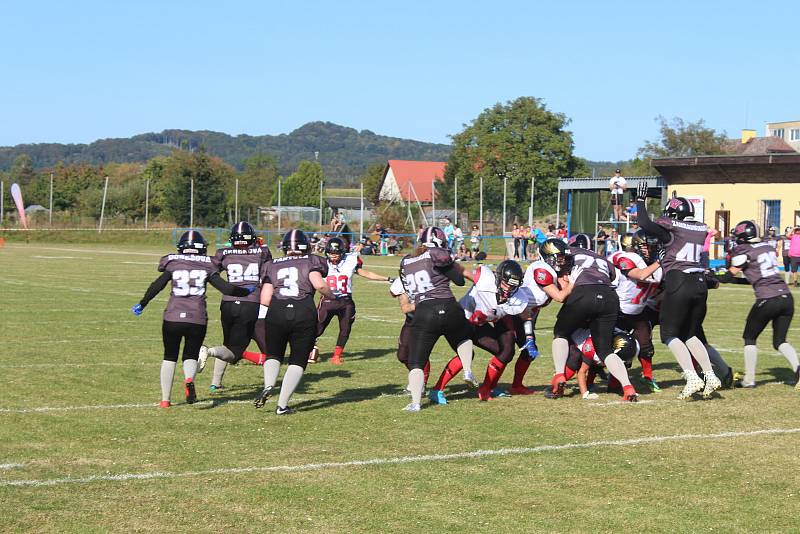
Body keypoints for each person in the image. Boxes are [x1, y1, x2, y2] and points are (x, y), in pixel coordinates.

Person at [131, 230, 251, 408]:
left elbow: (157, 285)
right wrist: (246, 291)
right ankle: (188, 379)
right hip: (197, 318)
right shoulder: (207, 264)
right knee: (190, 355)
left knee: (169, 357)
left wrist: (143, 303)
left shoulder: (173, 262)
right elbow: (226, 289)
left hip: (172, 317)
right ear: (201, 248)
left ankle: (165, 400)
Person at [635, 182, 722, 399]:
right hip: (700, 283)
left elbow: (644, 222)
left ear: (673, 213)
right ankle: (710, 375)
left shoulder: (671, 227)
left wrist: (640, 200)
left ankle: (692, 376)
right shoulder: (701, 228)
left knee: (669, 334)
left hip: (680, 281)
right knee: (690, 333)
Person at [544, 234, 639, 402]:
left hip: (584, 293)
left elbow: (563, 275)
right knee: (604, 350)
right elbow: (613, 277)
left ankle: (559, 375)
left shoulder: (568, 254)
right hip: (609, 297)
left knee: (561, 333)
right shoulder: (602, 258)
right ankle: (628, 387)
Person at [253, 229, 336, 415]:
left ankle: (268, 385)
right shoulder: (312, 261)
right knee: (298, 360)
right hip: (302, 310)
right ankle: (282, 405)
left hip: (276, 311)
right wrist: (332, 296)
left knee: (273, 354)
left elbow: (265, 298)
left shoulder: (271, 264)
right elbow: (319, 284)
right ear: (305, 246)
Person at [428, 260, 532, 404]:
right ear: (498, 278)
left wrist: (529, 336)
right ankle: (437, 390)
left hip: (480, 324)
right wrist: (444, 264)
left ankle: (488, 387)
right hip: (462, 319)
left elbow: (526, 315)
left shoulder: (518, 297)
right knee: (466, 355)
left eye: (513, 286)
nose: (508, 289)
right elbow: (463, 270)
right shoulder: (485, 279)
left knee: (505, 353)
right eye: (506, 284)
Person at [399, 227, 474, 412]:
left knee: (416, 361)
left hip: (424, 311)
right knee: (463, 337)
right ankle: (467, 369)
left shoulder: (406, 260)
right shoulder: (437, 254)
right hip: (449, 306)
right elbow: (459, 280)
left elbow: (408, 290)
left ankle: (416, 403)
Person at [717, 221, 798, 388]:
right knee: (780, 341)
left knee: (749, 338)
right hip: (786, 297)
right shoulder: (767, 247)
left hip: (767, 299)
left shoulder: (744, 251)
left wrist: (713, 276)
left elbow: (727, 276)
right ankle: (798, 369)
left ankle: (749, 379)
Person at [199, 221, 273, 392]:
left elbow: (209, 269)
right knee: (241, 350)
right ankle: (209, 352)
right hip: (253, 304)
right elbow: (270, 272)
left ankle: (215, 383)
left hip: (228, 303)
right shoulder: (262, 251)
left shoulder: (223, 252)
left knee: (228, 344)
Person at [308, 237, 394, 365]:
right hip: (327, 300)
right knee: (317, 328)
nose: (333, 256)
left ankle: (337, 355)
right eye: (331, 253)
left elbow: (366, 273)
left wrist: (387, 278)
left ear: (342, 252)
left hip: (345, 300)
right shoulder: (320, 263)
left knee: (345, 328)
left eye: (336, 253)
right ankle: (308, 348)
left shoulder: (350, 260)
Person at [609, 231, 664, 391]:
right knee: (619, 348)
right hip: (618, 310)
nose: (650, 249)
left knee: (646, 348)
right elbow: (640, 274)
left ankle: (648, 378)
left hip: (638, 311)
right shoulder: (628, 258)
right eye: (646, 246)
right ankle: (606, 382)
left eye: (653, 246)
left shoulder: (656, 264)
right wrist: (660, 262)